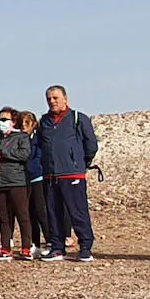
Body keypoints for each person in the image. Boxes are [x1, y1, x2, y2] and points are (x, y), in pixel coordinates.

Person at [35, 86, 99, 262]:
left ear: (65, 98)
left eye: (55, 98)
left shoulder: (78, 119)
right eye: (49, 98)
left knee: (77, 212)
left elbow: (91, 145)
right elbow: (38, 146)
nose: (52, 101)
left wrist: (79, 163)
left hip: (72, 175)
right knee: (53, 213)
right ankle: (57, 248)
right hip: (50, 176)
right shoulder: (44, 122)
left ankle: (85, 247)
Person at [0, 108, 34, 260]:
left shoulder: (21, 137)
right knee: (4, 216)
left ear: (13, 121)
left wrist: (3, 154)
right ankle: (5, 247)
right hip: (1, 181)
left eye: (5, 120)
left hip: (18, 181)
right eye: (0, 120)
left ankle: (27, 247)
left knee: (22, 215)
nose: (1, 123)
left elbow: (24, 154)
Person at [21, 112, 51, 257]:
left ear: (33, 124)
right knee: (30, 212)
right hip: (26, 179)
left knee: (41, 211)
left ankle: (50, 241)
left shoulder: (37, 139)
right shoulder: (21, 139)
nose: (24, 126)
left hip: (37, 177)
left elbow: (37, 156)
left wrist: (32, 169)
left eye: (27, 123)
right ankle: (35, 243)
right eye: (22, 123)